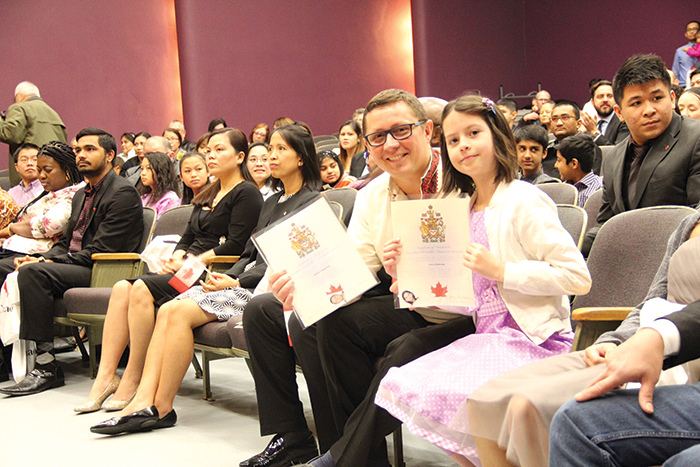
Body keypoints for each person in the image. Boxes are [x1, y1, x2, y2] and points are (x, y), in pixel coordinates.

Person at [243, 89, 465, 467]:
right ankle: (344, 453)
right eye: (377, 137)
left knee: (380, 341)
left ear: (428, 130)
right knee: (315, 317)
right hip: (411, 303)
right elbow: (355, 269)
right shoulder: (374, 194)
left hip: (469, 312)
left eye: (400, 131)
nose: (389, 145)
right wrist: (305, 290)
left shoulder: (465, 177)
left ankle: (340, 459)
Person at [369, 94, 590, 467]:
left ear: (497, 137)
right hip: (489, 338)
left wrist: (503, 270)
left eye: (473, 133)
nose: (463, 145)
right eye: (453, 140)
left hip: (535, 340)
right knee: (405, 383)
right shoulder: (466, 208)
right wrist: (406, 279)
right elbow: (470, 298)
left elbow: (576, 277)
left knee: (466, 397)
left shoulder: (523, 200)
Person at [89, 123, 322, 435]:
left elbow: (285, 263)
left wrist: (238, 282)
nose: (271, 156)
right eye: (271, 149)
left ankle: (157, 407)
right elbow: (250, 255)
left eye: (281, 150)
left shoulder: (311, 202)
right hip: (243, 284)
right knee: (169, 310)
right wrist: (231, 277)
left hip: (268, 293)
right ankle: (145, 401)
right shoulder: (271, 202)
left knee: (176, 310)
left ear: (302, 159)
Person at [467, 209, 700, 467]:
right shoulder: (689, 222)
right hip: (640, 339)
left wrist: (659, 337)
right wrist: (613, 341)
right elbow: (652, 301)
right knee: (483, 401)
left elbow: (574, 277)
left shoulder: (523, 202)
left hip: (677, 354)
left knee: (528, 407)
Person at [75, 127, 262, 413]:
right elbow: (187, 235)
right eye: (209, 150)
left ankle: (133, 376)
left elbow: (236, 245)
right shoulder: (210, 190)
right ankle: (106, 376)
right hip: (188, 267)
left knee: (139, 287)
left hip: (209, 271)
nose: (211, 155)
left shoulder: (246, 193)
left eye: (219, 150)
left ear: (239, 157)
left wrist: (193, 260)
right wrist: (177, 255)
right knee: (122, 287)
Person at [0, 127, 144, 396]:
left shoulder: (121, 194)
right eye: (78, 150)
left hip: (103, 270)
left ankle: (46, 366)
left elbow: (101, 251)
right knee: (13, 267)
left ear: (110, 155)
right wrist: (38, 258)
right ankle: (5, 358)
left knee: (34, 275)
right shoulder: (81, 194)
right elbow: (67, 244)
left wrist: (45, 264)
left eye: (90, 150)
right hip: (77, 263)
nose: (81, 155)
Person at [583, 53, 700, 256]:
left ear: (672, 98)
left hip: (679, 262)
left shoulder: (695, 138)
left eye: (657, 98)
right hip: (627, 263)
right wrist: (572, 249)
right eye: (636, 103)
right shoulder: (614, 157)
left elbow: (696, 218)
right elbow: (606, 224)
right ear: (619, 112)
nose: (649, 110)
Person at [0, 141, 84, 256]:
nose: (41, 176)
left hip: (35, 256)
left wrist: (11, 229)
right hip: (11, 248)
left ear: (67, 170)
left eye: (48, 170)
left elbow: (48, 226)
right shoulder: (48, 193)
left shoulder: (75, 194)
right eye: (39, 170)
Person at [0, 82, 67, 185]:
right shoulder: (54, 114)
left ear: (20, 96)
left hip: (29, 181)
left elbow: (10, 135)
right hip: (53, 180)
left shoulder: (19, 107)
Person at [554, 134, 603, 207]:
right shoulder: (561, 189)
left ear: (574, 164)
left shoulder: (599, 190)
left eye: (559, 160)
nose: (556, 165)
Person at [580, 80, 630, 145]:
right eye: (600, 96)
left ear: (616, 100)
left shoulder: (624, 122)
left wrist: (595, 132)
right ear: (592, 102)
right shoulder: (588, 124)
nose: (605, 100)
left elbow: (618, 152)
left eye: (609, 96)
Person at [138, 151, 181, 218]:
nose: (143, 173)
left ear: (160, 171)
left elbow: (162, 225)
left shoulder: (169, 198)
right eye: (142, 168)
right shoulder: (145, 197)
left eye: (148, 168)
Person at [672, 21, 700, 87]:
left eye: (695, 29)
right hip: (684, 86)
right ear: (685, 34)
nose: (692, 32)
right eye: (689, 30)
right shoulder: (680, 51)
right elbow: (675, 71)